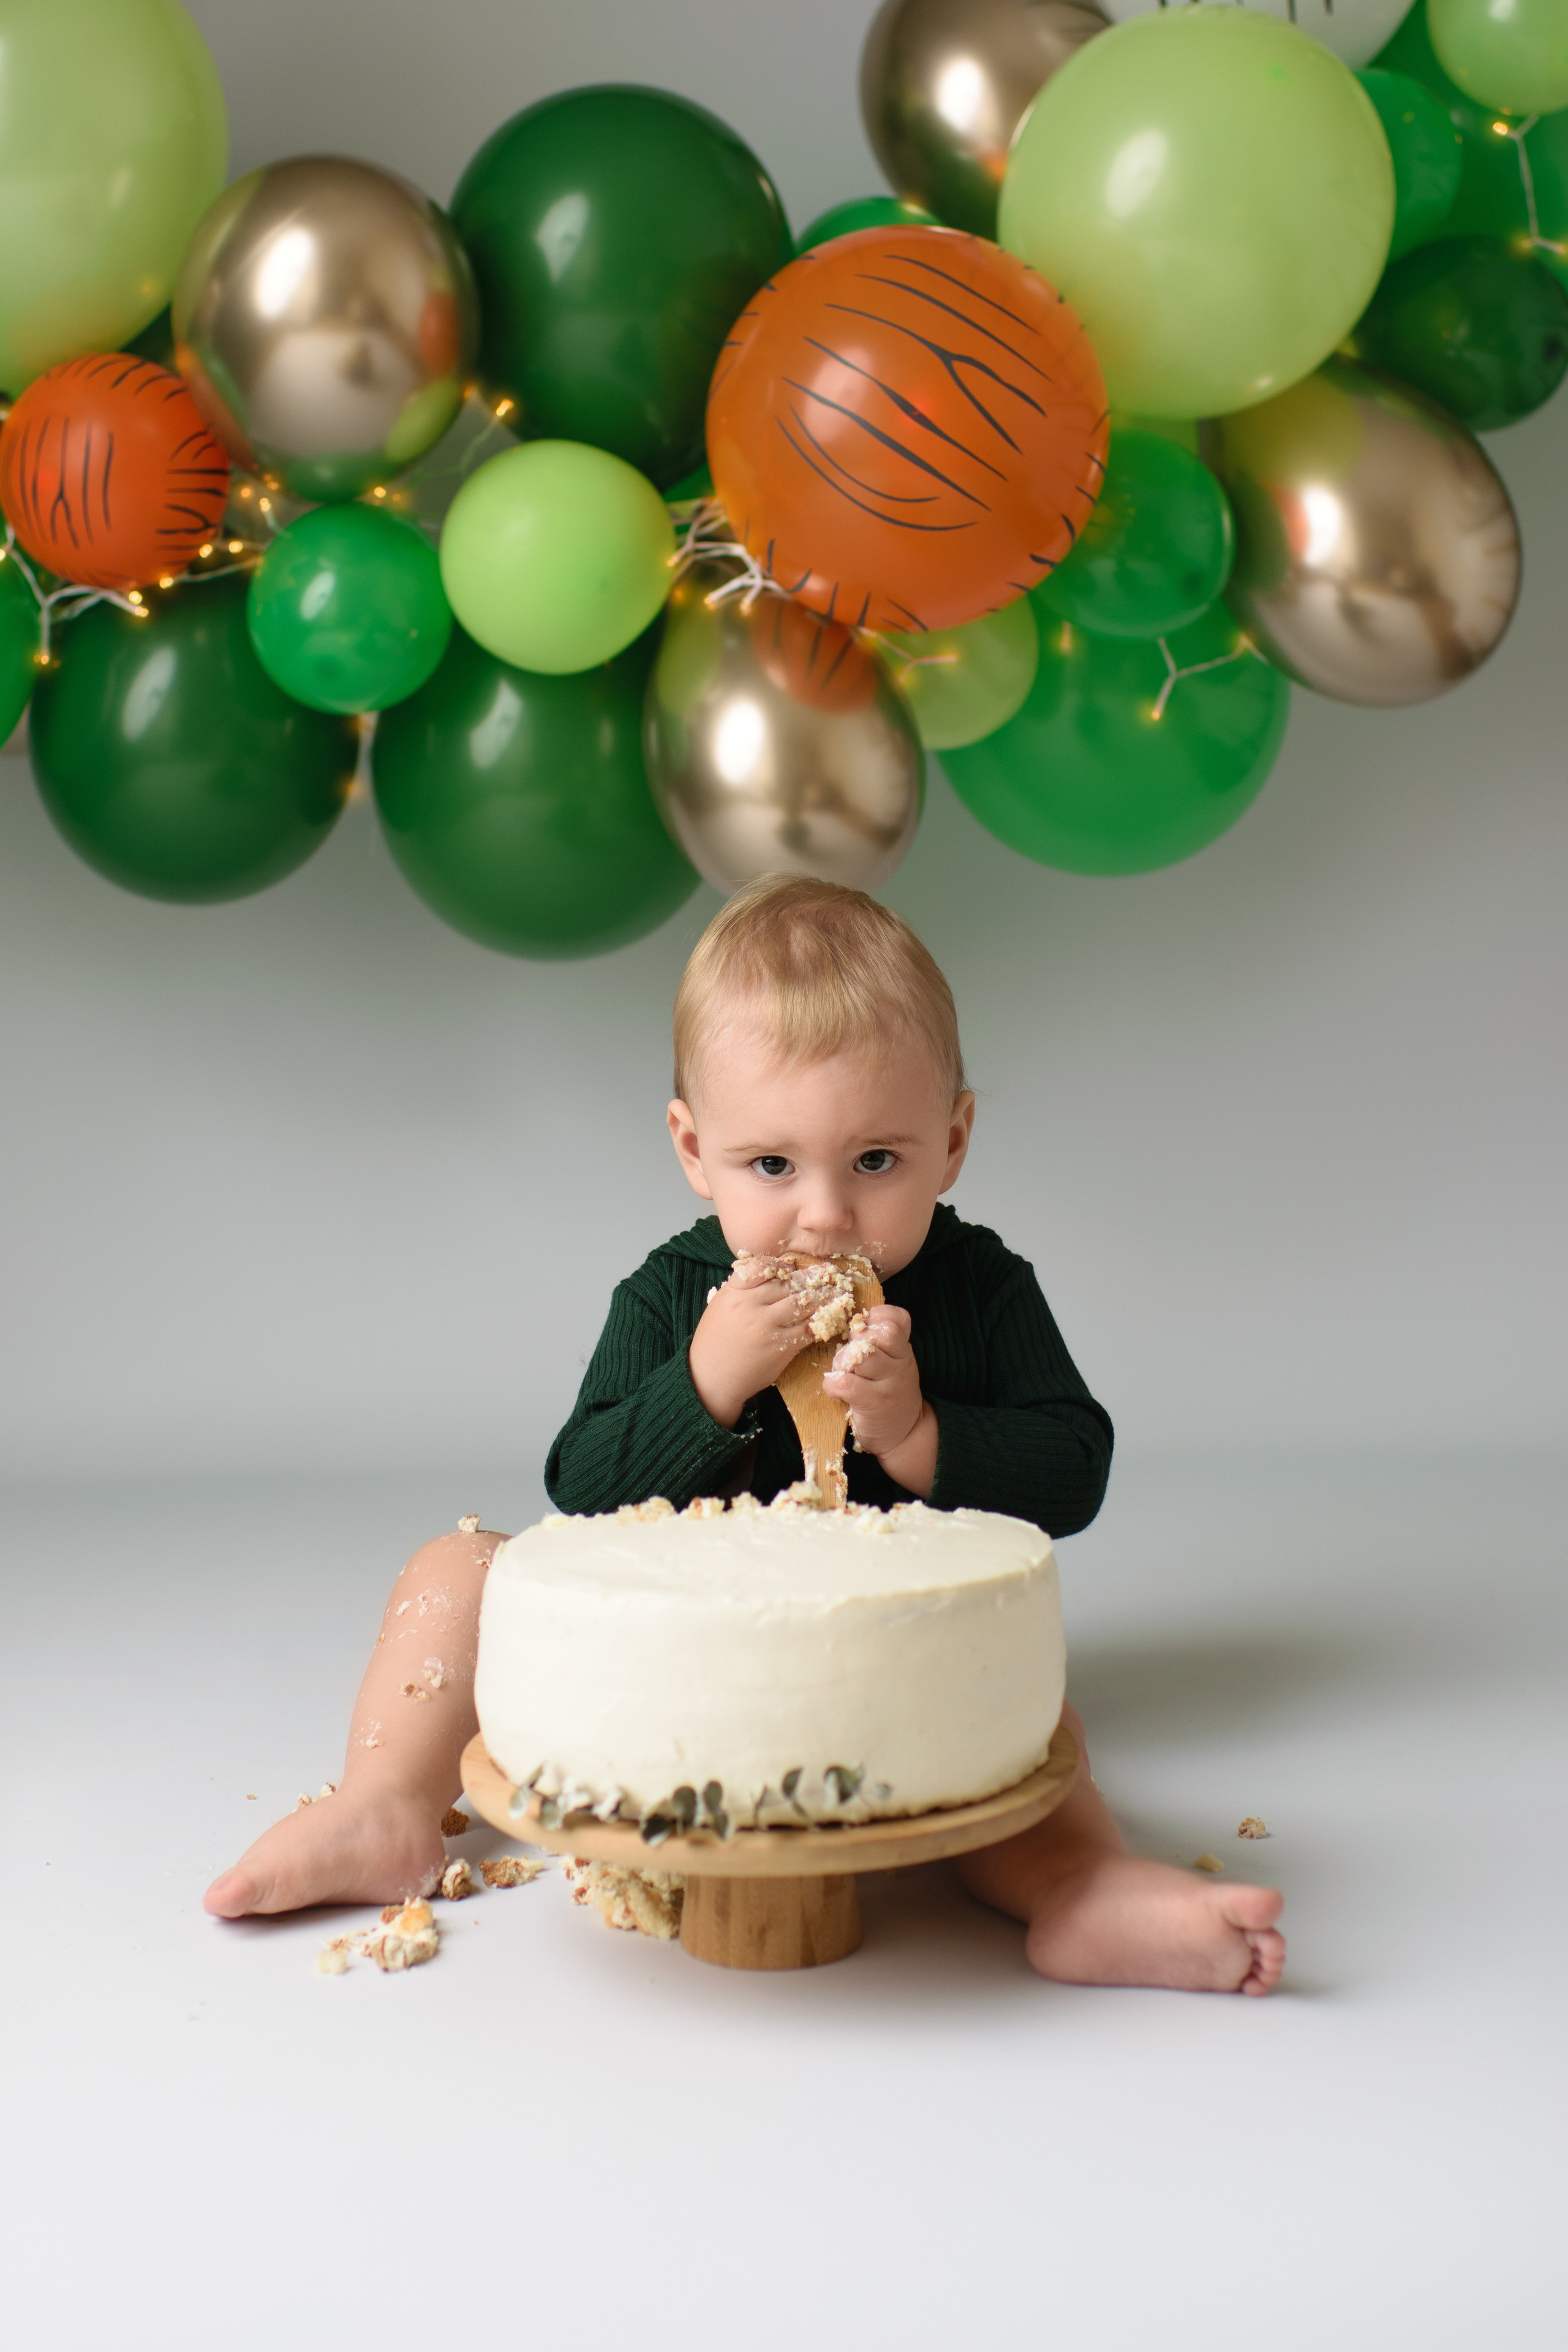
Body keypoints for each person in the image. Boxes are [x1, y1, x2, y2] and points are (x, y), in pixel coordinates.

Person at [207, 876, 1284, 1995]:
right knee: (461, 1564)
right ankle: (384, 1807)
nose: (824, 1215)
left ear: (953, 1139)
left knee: (1014, 1707)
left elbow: (1074, 1472)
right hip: (662, 1666)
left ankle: (1078, 1886)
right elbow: (580, 1483)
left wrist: (917, 1432)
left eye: (877, 1161)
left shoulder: (982, 1291)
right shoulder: (673, 1296)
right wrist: (706, 1381)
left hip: (891, 1671)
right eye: (771, 1166)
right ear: (693, 1147)